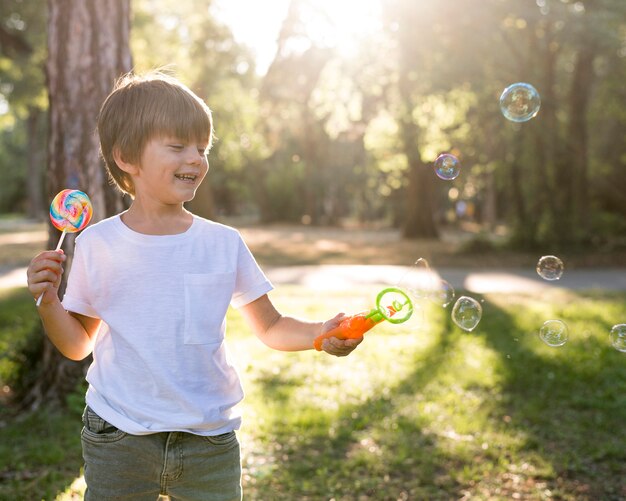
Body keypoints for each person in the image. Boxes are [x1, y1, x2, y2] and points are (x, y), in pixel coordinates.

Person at [26, 71, 362, 501]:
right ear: (127, 156)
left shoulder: (223, 243)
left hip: (209, 441)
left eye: (202, 148)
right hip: (119, 435)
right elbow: (77, 346)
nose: (196, 159)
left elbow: (271, 326)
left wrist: (318, 333)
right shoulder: (97, 243)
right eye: (178, 146)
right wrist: (49, 302)